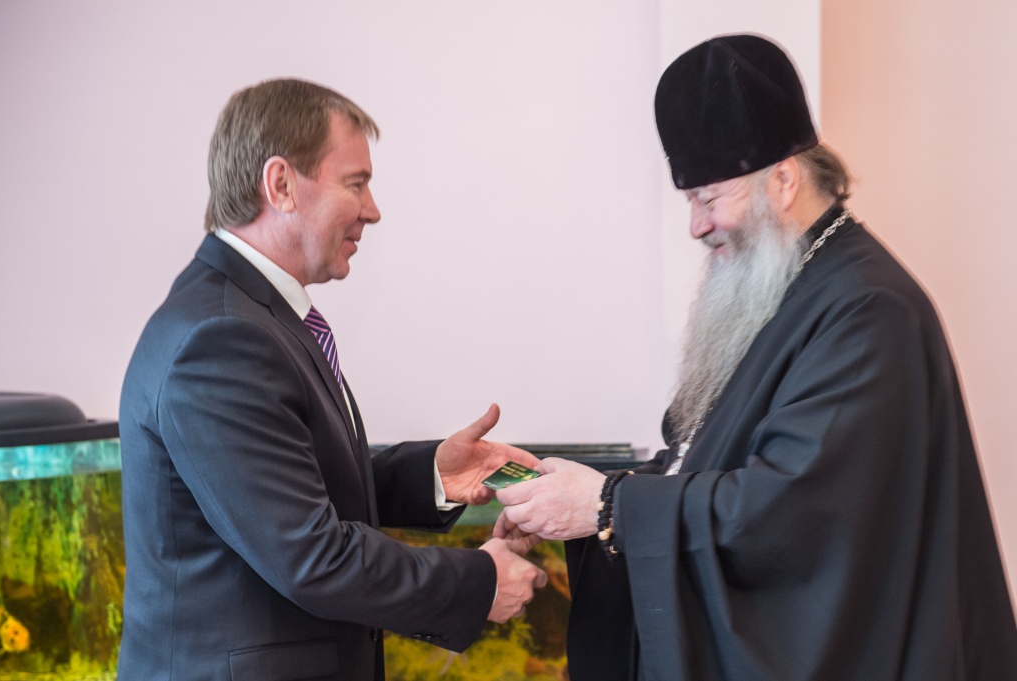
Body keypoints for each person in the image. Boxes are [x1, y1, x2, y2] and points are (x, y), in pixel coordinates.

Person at [495, 34, 1017, 680]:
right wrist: (574, 499)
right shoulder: (785, 287)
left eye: (708, 198)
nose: (696, 225)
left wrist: (609, 506)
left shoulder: (869, 312)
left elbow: (792, 512)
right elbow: (706, 461)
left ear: (784, 180)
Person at [118, 78, 546, 681]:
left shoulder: (244, 315)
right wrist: (480, 582)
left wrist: (434, 475)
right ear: (281, 185)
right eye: (356, 183)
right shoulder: (220, 338)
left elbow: (286, 480)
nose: (372, 210)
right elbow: (311, 557)